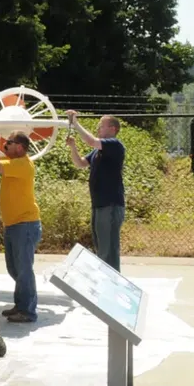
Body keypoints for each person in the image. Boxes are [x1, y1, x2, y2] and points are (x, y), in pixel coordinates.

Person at [0, 132, 43, 321]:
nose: (5, 146)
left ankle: (28, 310)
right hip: (15, 225)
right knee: (15, 269)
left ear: (20, 147)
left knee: (23, 269)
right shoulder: (12, 162)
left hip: (25, 225)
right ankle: (21, 305)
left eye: (9, 143)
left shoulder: (22, 164)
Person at [67, 111, 125, 270]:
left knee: (108, 250)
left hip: (111, 205)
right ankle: (107, 283)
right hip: (99, 205)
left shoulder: (115, 145)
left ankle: (111, 285)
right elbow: (80, 163)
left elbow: (92, 141)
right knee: (101, 247)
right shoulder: (97, 152)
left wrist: (76, 123)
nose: (98, 128)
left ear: (112, 129)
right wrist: (73, 147)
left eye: (101, 125)